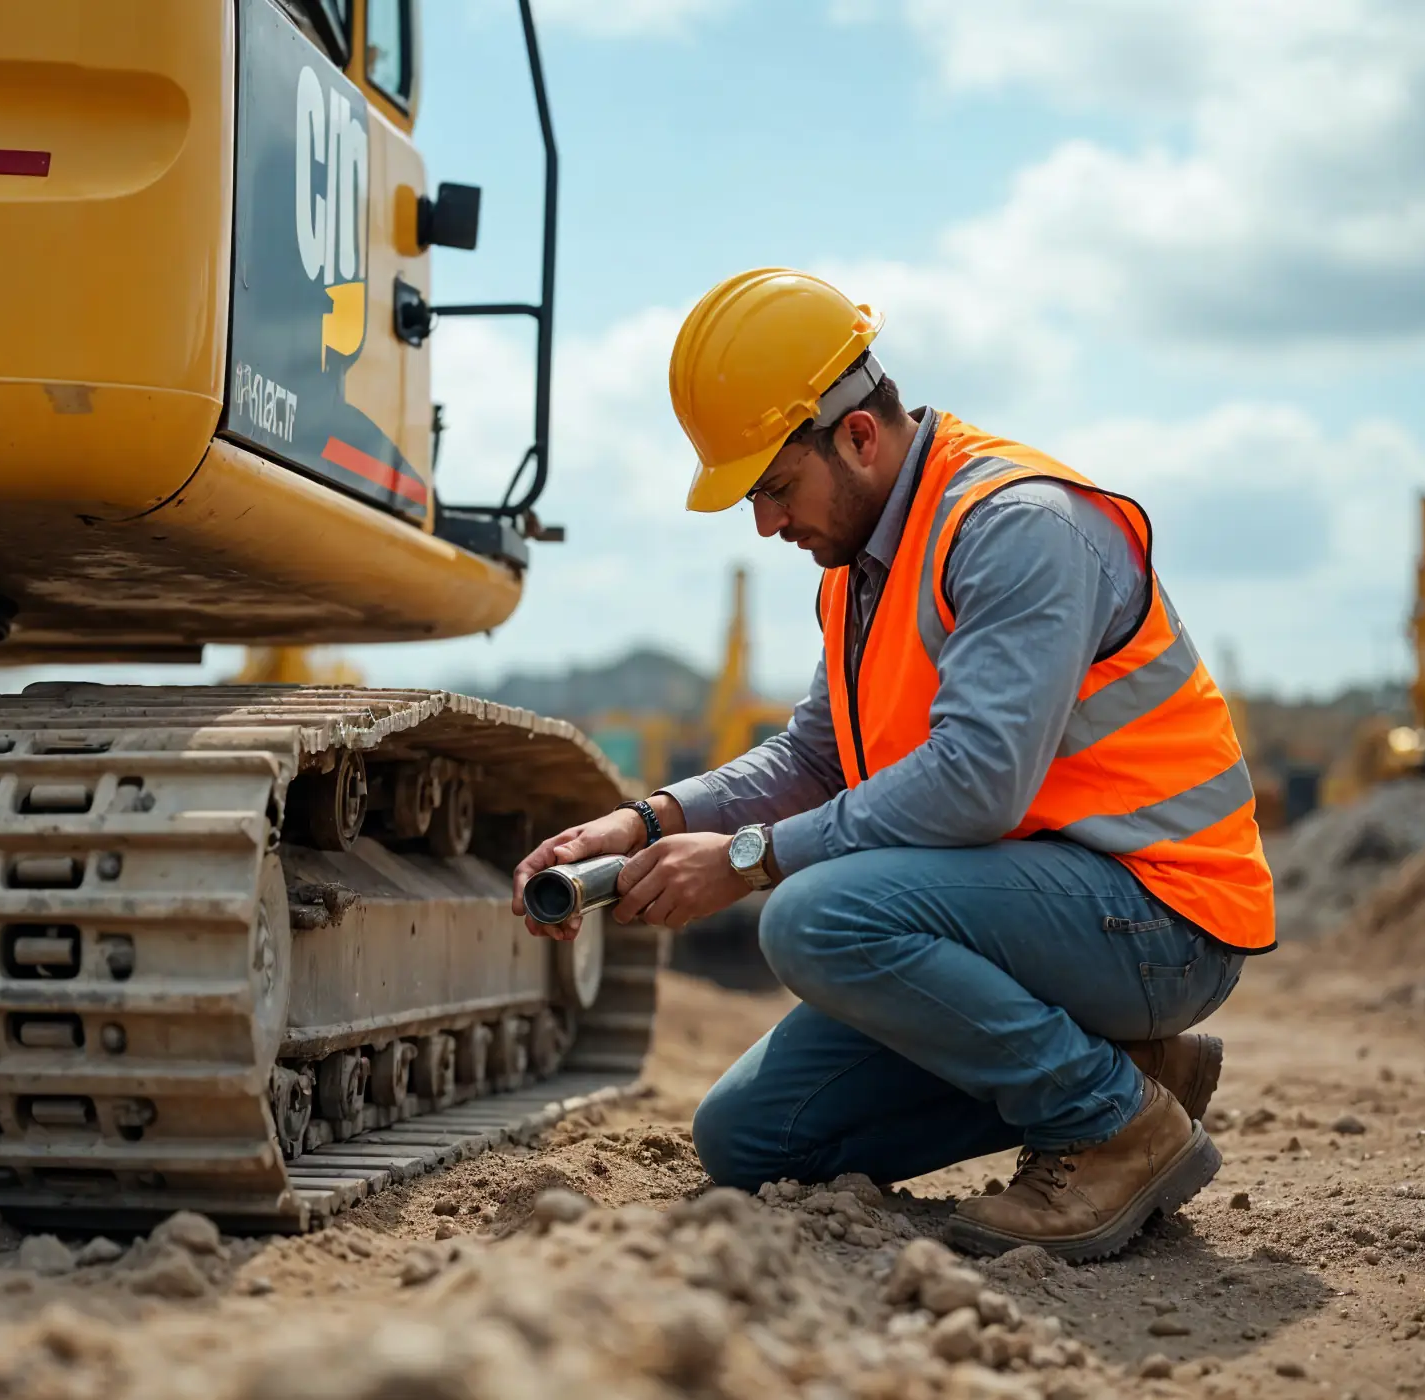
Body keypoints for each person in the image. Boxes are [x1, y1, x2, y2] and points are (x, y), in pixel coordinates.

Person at [512, 269, 1275, 1262]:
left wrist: (745, 860)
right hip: (1033, 917)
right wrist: (645, 822)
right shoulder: (860, 572)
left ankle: (1104, 1121)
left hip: (1158, 915)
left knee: (811, 913)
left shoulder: (1014, 527)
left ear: (858, 437)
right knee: (745, 1137)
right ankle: (1131, 1069)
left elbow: (974, 778)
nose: (765, 524)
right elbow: (816, 754)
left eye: (776, 488)